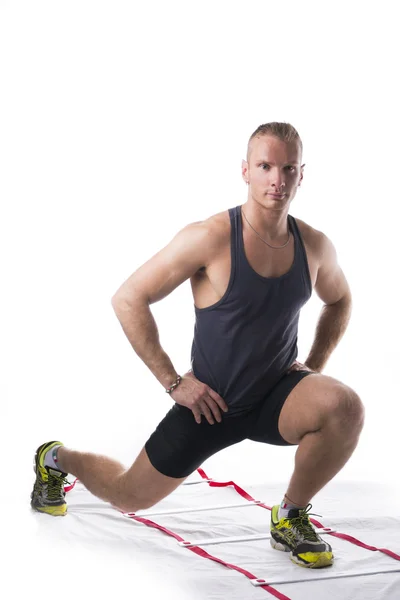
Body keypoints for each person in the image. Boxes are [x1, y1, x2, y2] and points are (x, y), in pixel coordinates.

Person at [31, 122, 365, 569]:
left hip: (276, 398)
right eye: (265, 166)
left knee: (344, 407)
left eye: (288, 168)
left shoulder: (315, 246)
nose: (277, 179)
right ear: (245, 171)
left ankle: (289, 515)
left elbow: (339, 299)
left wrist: (313, 368)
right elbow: (129, 298)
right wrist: (173, 383)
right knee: (130, 496)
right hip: (209, 404)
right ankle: (56, 458)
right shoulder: (210, 237)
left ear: (301, 174)